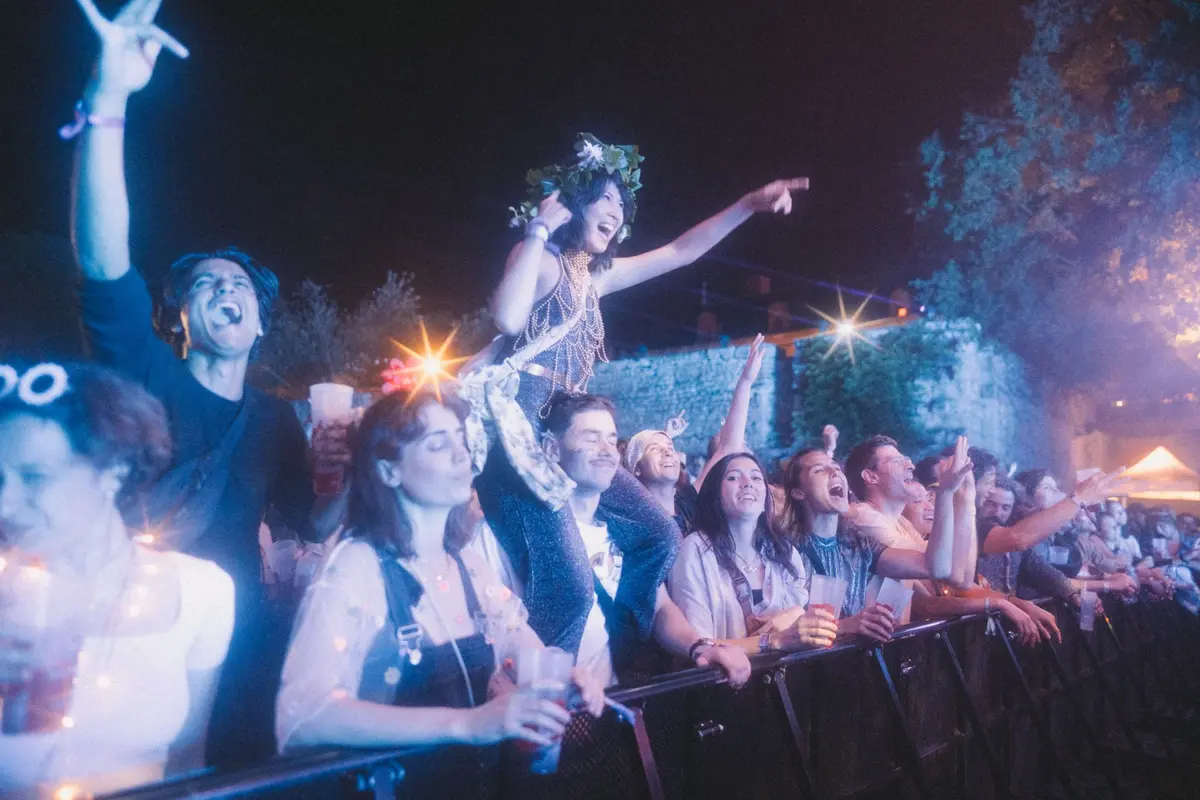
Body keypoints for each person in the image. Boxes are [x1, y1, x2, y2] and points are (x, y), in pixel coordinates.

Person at [66, 0, 346, 765]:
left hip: (234, 641)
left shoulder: (279, 421)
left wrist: (339, 475)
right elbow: (102, 259)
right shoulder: (142, 371)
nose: (227, 290)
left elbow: (313, 524)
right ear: (179, 318)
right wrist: (109, 97)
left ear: (259, 324)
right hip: (126, 628)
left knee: (224, 775)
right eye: (206, 285)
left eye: (241, 287)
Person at [467, 132, 809, 666]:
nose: (617, 212)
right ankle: (547, 693)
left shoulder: (592, 277)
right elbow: (508, 318)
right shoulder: (543, 257)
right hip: (522, 441)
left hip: (577, 436)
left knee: (657, 534)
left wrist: (746, 205)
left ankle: (627, 643)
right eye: (605, 198)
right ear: (573, 201)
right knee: (569, 588)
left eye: (622, 205)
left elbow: (680, 252)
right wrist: (538, 229)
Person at [276, 389, 605, 758]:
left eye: (460, 439)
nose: (461, 454)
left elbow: (528, 652)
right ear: (388, 470)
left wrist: (567, 682)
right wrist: (467, 724)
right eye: (437, 444)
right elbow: (302, 717)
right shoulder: (359, 566)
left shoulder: (469, 568)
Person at [0, 363, 234, 795]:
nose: (4, 503)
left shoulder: (202, 592)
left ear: (113, 472)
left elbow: (186, 760)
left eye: (34, 476)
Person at [778, 447, 970, 643]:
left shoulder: (858, 544)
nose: (834, 472)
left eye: (835, 467)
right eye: (819, 470)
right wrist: (844, 626)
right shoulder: (785, 548)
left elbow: (936, 568)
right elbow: (778, 627)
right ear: (798, 492)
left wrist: (947, 493)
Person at [669, 453, 838, 653]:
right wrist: (772, 640)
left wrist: (796, 613)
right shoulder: (695, 550)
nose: (748, 483)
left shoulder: (784, 552)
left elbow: (803, 629)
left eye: (756, 478)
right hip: (725, 673)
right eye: (733, 477)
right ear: (714, 495)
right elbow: (699, 646)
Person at [624, 334, 768, 531]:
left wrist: (745, 382)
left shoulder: (686, 506)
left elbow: (729, 447)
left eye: (670, 448)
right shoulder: (630, 520)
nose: (668, 453)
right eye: (654, 449)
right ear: (636, 468)